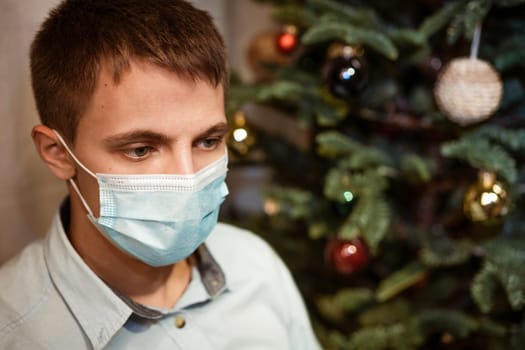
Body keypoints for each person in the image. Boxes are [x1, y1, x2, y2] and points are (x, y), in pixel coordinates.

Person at [0, 1, 321, 349]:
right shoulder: (15, 331)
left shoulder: (257, 267)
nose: (187, 179)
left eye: (207, 141)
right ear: (58, 153)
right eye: (141, 149)